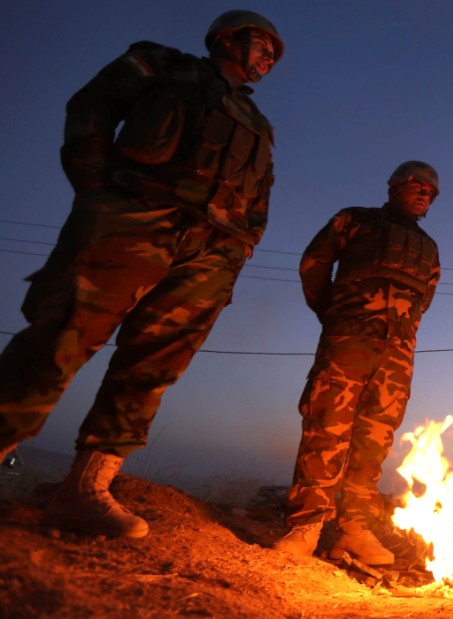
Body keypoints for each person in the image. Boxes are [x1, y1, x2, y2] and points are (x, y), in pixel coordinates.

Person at [0, 10, 282, 539]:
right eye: (262, 45)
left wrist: (241, 246)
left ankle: (85, 490)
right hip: (138, 217)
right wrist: (97, 192)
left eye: (273, 55)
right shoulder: (162, 65)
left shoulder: (260, 124)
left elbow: (260, 196)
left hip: (212, 253)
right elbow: (91, 106)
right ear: (226, 38)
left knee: (152, 369)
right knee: (61, 334)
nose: (269, 59)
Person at [273, 161, 441, 570]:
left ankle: (352, 530)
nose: (423, 194)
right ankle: (306, 526)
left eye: (430, 192)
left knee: (374, 443)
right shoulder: (354, 221)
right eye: (416, 186)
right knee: (326, 427)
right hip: (348, 343)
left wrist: (400, 337)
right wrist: (333, 315)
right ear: (394, 186)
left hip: (397, 357)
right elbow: (313, 264)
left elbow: (426, 299)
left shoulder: (429, 248)